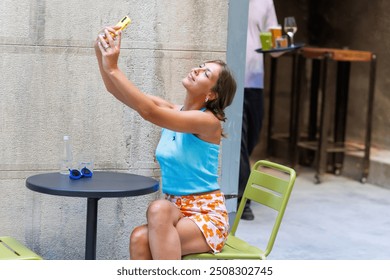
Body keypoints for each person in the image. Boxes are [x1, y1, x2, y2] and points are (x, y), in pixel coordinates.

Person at [94, 26, 237, 259]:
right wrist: (100, 50)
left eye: (206, 74)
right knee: (139, 235)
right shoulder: (173, 110)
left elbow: (148, 112)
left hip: (206, 215)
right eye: (201, 66)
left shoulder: (208, 122)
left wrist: (113, 66)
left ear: (212, 95)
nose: (197, 70)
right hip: (175, 209)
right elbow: (115, 90)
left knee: (156, 211)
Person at [239, 0, 279, 220]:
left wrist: (282, 44)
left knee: (252, 135)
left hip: (254, 79)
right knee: (240, 140)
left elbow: (272, 43)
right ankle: (242, 198)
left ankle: (239, 188)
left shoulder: (265, 1)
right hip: (230, 78)